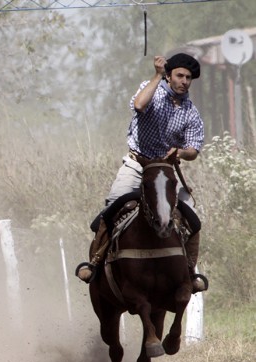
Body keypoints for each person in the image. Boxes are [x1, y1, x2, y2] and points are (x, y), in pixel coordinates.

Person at [75, 53, 208, 293]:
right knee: (113, 207)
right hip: (137, 165)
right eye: (179, 75)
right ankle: (94, 263)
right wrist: (156, 75)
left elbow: (193, 149)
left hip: (166, 171)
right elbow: (139, 105)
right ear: (169, 75)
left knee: (192, 218)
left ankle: (190, 273)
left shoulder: (191, 112)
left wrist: (180, 152)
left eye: (189, 78)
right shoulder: (151, 91)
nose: (184, 81)